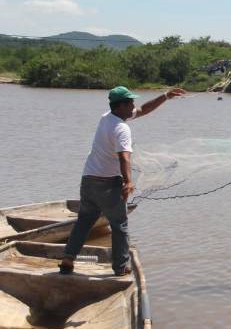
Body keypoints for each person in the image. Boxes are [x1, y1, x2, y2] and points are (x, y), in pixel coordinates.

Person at [59, 85, 186, 276]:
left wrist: (166, 96)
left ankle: (68, 259)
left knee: (84, 221)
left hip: (88, 181)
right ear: (120, 106)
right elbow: (124, 157)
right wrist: (128, 182)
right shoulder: (121, 128)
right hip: (107, 184)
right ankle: (121, 267)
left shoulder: (106, 118)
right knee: (120, 225)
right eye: (130, 103)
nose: (133, 105)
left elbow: (143, 110)